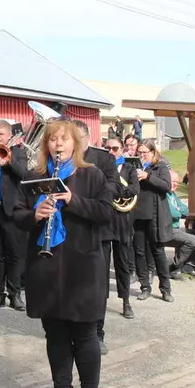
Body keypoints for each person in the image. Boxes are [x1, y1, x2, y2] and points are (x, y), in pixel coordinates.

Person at [12, 118, 114, 388]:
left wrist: (72, 200)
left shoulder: (91, 176)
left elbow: (105, 214)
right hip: (45, 265)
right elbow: (15, 215)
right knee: (54, 334)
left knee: (84, 335)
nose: (58, 144)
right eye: (53, 139)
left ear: (75, 144)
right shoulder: (35, 176)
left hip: (81, 265)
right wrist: (35, 214)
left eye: (63, 139)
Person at [72, 120, 122, 353]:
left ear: (87, 136)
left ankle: (96, 332)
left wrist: (93, 194)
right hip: (71, 230)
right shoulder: (62, 161)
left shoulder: (104, 159)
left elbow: (114, 188)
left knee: (97, 284)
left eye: (76, 137)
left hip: (97, 231)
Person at [0, 120, 29, 311]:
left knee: (14, 254)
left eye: (0, 134)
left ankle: (15, 294)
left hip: (12, 209)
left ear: (9, 135)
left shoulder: (19, 152)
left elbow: (24, 174)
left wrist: (8, 161)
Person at [132, 139, 174, 301]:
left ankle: (165, 289)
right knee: (140, 252)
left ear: (152, 152)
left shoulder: (160, 166)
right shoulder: (133, 166)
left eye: (145, 153)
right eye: (140, 153)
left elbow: (166, 186)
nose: (142, 156)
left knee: (158, 252)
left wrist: (147, 176)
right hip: (137, 214)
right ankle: (144, 286)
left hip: (155, 215)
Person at [105, 136, 139, 317]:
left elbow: (134, 189)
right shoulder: (100, 169)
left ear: (122, 150)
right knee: (101, 265)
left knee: (122, 263)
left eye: (115, 148)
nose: (111, 152)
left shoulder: (129, 169)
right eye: (108, 148)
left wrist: (115, 191)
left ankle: (126, 302)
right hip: (104, 221)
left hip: (123, 222)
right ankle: (100, 301)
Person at [165, 169, 195, 282]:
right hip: (167, 230)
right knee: (193, 240)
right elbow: (173, 213)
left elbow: (185, 210)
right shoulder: (164, 195)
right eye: (172, 181)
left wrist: (177, 210)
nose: (175, 184)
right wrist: (177, 211)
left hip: (175, 229)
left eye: (177, 182)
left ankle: (189, 266)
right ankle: (174, 268)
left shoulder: (173, 195)